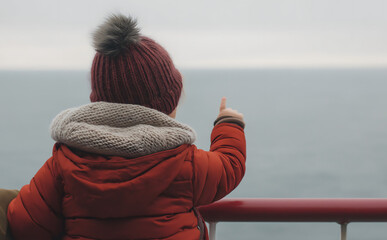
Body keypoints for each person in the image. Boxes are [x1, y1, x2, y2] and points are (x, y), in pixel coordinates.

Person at [5, 14, 246, 240]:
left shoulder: (65, 162)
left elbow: (24, 224)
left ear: (99, 102)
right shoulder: (185, 163)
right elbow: (229, 165)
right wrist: (228, 122)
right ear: (167, 104)